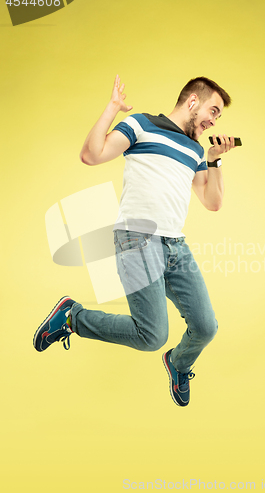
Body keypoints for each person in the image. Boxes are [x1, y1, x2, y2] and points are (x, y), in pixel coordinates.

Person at [33, 75, 237, 406]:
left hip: (175, 246)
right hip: (137, 239)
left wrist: (214, 159)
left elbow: (212, 201)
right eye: (213, 111)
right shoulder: (141, 125)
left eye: (219, 117)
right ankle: (73, 317)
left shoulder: (195, 149)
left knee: (206, 327)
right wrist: (112, 109)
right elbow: (91, 154)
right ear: (192, 102)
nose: (214, 120)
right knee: (151, 336)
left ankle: (179, 363)